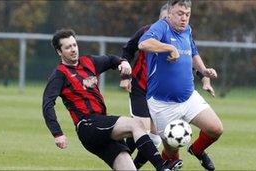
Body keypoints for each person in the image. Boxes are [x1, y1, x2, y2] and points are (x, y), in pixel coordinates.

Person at [42, 28, 183, 171]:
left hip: (102, 127)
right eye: (67, 47)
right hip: (88, 125)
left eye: (74, 45)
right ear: (59, 52)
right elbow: (47, 104)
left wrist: (122, 62)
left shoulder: (88, 62)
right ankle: (162, 166)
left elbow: (110, 60)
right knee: (136, 124)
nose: (73, 49)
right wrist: (57, 133)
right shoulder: (60, 74)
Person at [121, 3, 215, 169]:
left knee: (156, 139)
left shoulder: (185, 31)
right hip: (143, 90)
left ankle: (133, 165)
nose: (183, 18)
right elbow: (130, 49)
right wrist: (125, 76)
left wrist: (204, 76)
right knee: (145, 134)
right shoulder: (151, 31)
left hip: (179, 96)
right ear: (165, 17)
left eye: (187, 14)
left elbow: (189, 56)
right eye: (179, 14)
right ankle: (123, 160)